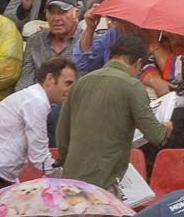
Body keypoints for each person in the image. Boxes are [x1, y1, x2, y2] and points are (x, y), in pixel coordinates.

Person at [56, 36, 171, 190]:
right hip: (104, 182)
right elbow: (155, 135)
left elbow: (62, 132)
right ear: (138, 63)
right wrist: (166, 128)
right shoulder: (133, 86)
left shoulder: (80, 83)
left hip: (71, 179)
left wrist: (64, 159)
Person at [0, 57, 75, 197]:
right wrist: (68, 178)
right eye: (68, 83)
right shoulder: (36, 102)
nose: (71, 90)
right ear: (50, 79)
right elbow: (40, 157)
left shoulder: (30, 98)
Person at [16, 0, 80, 93]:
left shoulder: (88, 40)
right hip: (40, 101)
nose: (56, 18)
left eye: (62, 12)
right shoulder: (35, 40)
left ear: (76, 13)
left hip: (73, 101)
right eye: (52, 12)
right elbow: (26, 79)